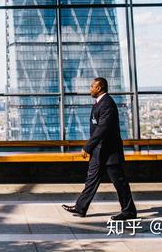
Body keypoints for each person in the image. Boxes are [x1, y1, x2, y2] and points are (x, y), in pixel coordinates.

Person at [62, 77, 137, 221]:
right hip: (99, 152)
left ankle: (129, 211)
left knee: (119, 182)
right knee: (91, 180)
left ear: (99, 87)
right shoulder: (99, 103)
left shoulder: (107, 104)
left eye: (92, 86)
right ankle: (80, 207)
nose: (90, 89)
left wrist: (87, 147)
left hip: (109, 152)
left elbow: (102, 129)